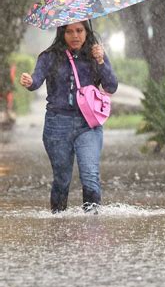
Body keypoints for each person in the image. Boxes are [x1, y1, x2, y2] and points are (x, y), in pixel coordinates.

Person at [19, 20, 118, 214]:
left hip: (88, 124)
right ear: (62, 34)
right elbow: (36, 80)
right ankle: (58, 225)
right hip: (57, 125)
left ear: (87, 32)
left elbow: (111, 86)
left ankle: (91, 227)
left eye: (80, 31)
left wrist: (101, 61)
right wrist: (29, 81)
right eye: (70, 31)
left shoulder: (95, 55)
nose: (75, 36)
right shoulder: (49, 57)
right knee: (62, 179)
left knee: (90, 176)